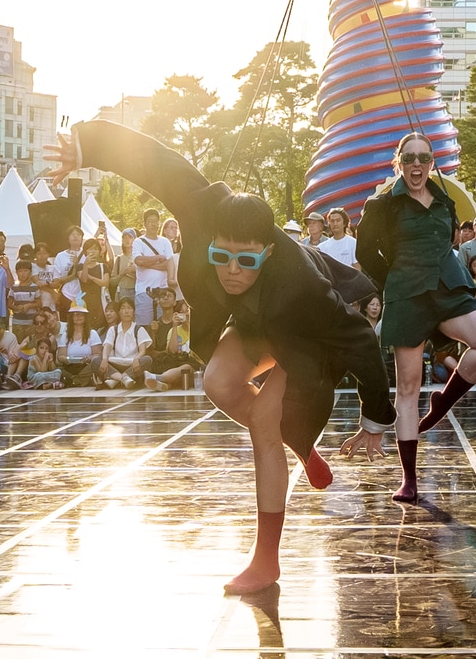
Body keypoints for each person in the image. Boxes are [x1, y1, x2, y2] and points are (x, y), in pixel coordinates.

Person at [46, 119, 393, 595]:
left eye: (246, 261)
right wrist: (87, 147)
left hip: (303, 336)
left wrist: (376, 417)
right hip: (250, 323)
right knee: (216, 383)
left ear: (267, 253)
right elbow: (158, 162)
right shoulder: (200, 208)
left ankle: (266, 561)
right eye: (221, 257)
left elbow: (359, 339)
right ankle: (301, 445)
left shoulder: (303, 286)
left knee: (265, 425)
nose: (231, 271)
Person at [355, 132, 476, 504]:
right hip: (406, 294)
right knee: (407, 389)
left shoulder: (443, 199)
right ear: (399, 162)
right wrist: (394, 276)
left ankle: (443, 402)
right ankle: (409, 479)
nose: (416, 164)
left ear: (432, 162)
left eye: (423, 157)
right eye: (409, 158)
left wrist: (468, 287)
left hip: (447, 289)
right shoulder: (382, 205)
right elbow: (365, 251)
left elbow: (448, 245)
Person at [132, 209, 174, 325]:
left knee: (163, 327)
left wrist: (148, 264)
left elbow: (169, 263)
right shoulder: (138, 242)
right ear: (144, 224)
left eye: (156, 221)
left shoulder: (165, 242)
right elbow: (139, 261)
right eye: (150, 221)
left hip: (163, 291)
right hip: (144, 292)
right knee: (144, 329)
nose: (154, 224)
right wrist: (158, 258)